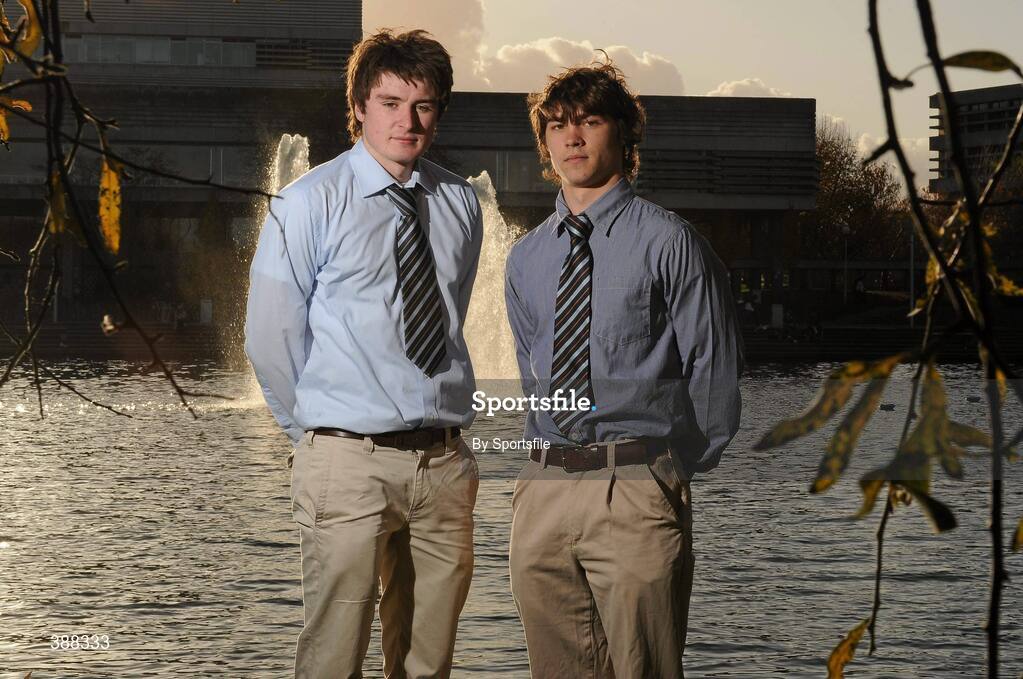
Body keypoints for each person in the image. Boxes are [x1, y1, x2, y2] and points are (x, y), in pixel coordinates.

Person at [245, 29, 483, 679]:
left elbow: (448, 318)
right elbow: (269, 339)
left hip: (442, 462)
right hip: (346, 461)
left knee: (427, 662)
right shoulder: (306, 202)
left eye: (424, 105)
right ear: (357, 106)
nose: (407, 121)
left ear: (439, 111)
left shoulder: (460, 203)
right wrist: (319, 439)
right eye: (389, 102)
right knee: (333, 656)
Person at [504, 59, 743, 678]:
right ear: (545, 143)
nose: (572, 137)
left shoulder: (671, 243)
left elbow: (713, 373)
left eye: (589, 121)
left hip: (636, 487)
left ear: (624, 135)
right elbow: (534, 375)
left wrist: (662, 468)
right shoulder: (526, 259)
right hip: (544, 492)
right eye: (557, 125)